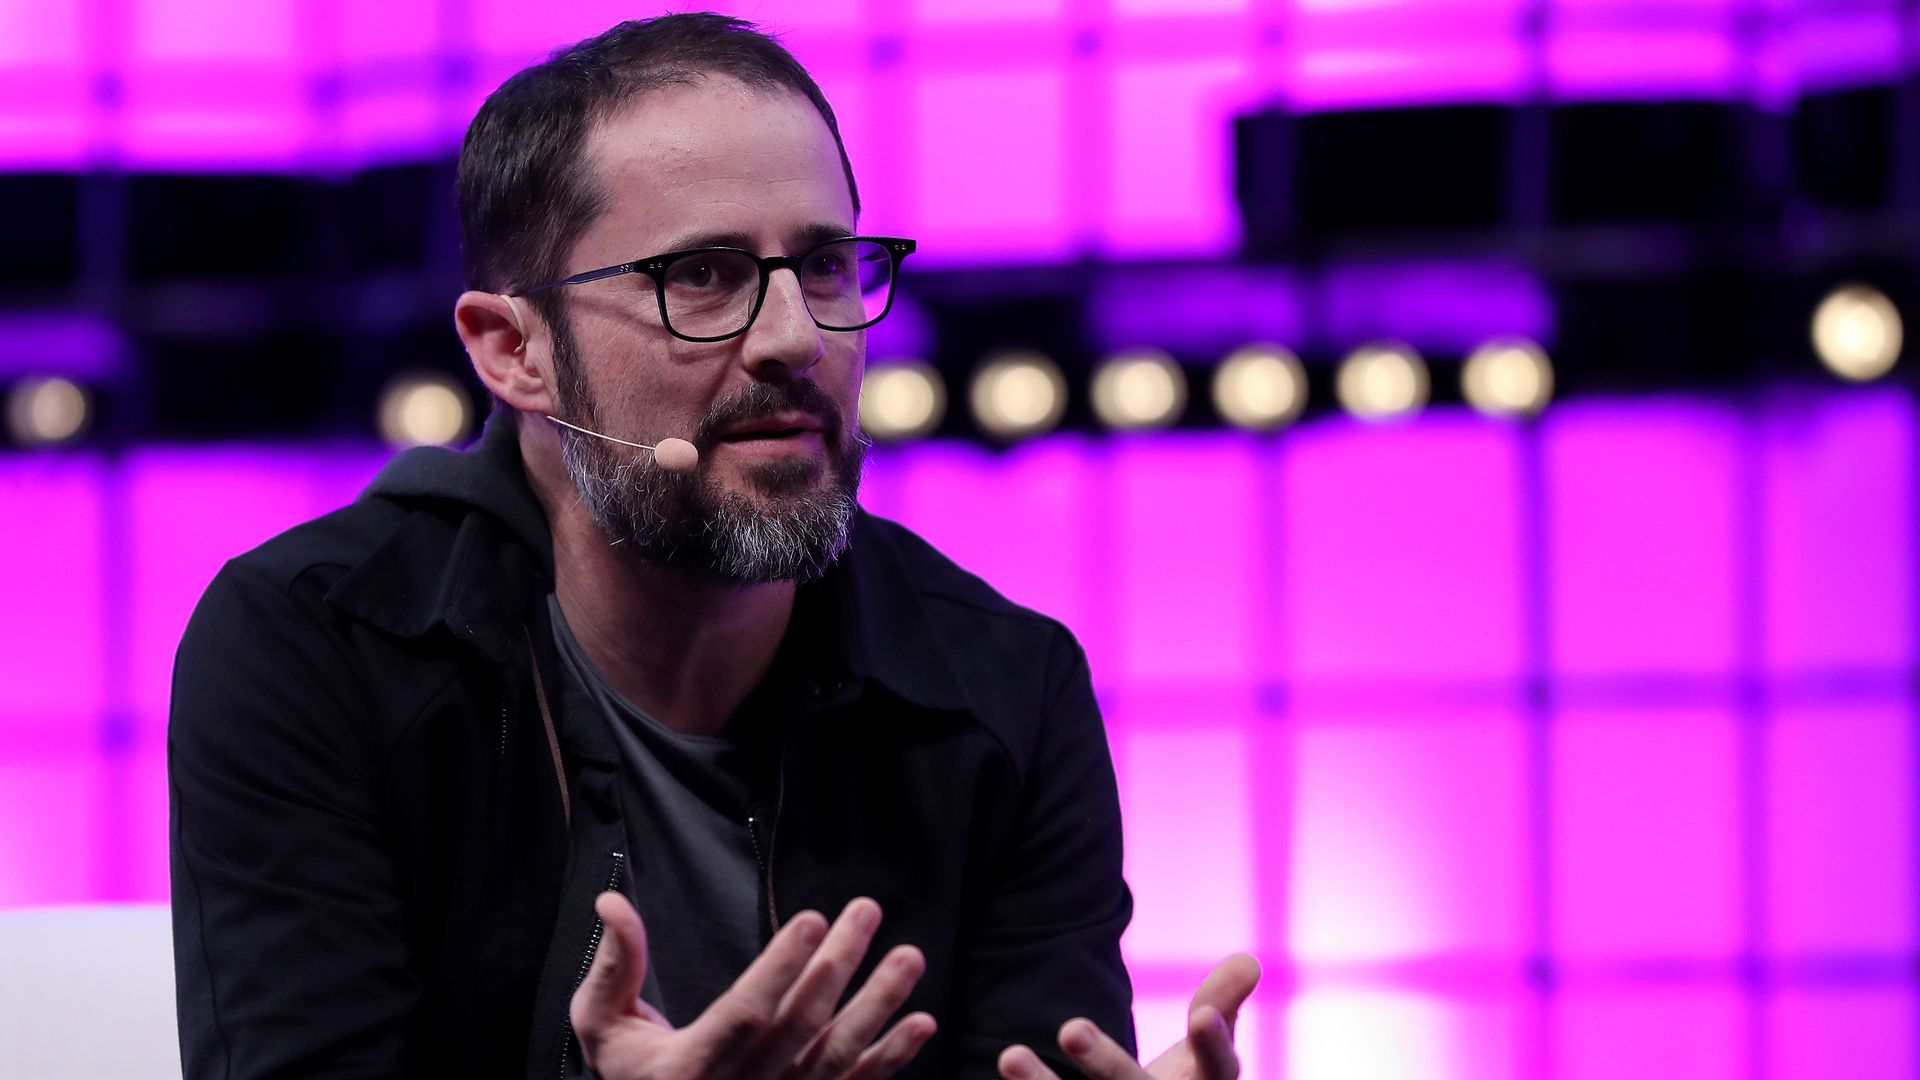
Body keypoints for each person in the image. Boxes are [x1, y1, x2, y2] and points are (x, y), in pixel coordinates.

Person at [168, 13, 1257, 1080]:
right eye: (700, 275)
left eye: (825, 267)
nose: (795, 338)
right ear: (513, 351)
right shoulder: (319, 648)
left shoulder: (1005, 690)